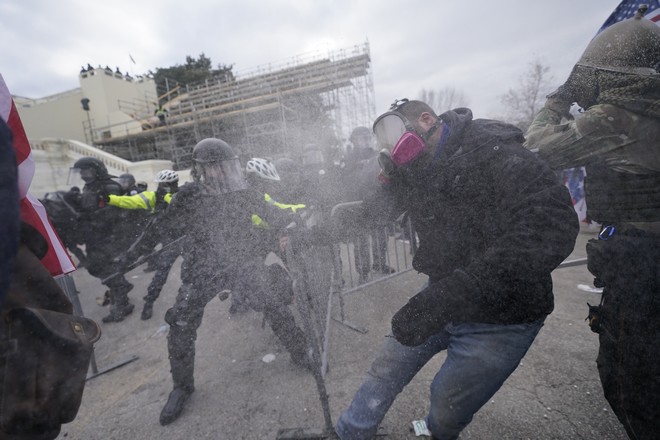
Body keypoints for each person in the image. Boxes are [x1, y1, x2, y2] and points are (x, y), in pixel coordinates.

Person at [335, 99, 579, 440]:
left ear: (426, 119)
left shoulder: (495, 152)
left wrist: (452, 294)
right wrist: (315, 235)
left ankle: (433, 432)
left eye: (393, 132)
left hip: (502, 316)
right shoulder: (417, 169)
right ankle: (349, 433)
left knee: (447, 405)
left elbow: (549, 226)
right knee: (387, 366)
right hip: (443, 295)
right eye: (384, 140)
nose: (391, 147)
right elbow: (375, 214)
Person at [524, 9, 660, 440]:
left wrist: (558, 99)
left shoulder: (617, 117)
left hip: (644, 263)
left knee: (631, 379)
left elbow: (536, 149)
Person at [128, 139, 313, 425]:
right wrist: (132, 254)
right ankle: (181, 387)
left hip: (242, 261)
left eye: (226, 166)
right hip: (202, 268)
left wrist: (298, 218)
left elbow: (272, 213)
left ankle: (301, 353)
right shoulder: (188, 195)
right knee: (180, 322)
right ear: (201, 169)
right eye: (215, 168)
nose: (223, 172)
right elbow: (160, 227)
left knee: (274, 304)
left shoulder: (243, 192)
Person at [68, 157, 136, 323]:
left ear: (96, 170)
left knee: (108, 269)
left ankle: (120, 306)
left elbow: (114, 211)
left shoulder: (109, 186)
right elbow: (89, 206)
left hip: (111, 237)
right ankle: (121, 288)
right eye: (81, 172)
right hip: (95, 237)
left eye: (86, 171)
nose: (83, 175)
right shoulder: (89, 187)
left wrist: (87, 216)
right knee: (95, 267)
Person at [107, 169, 180, 320]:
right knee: (136, 249)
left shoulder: (179, 195)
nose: (163, 187)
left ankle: (149, 301)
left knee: (163, 271)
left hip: (175, 237)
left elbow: (177, 202)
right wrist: (109, 199)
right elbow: (131, 201)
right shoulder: (154, 195)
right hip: (157, 230)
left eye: (167, 185)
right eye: (162, 184)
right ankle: (148, 301)